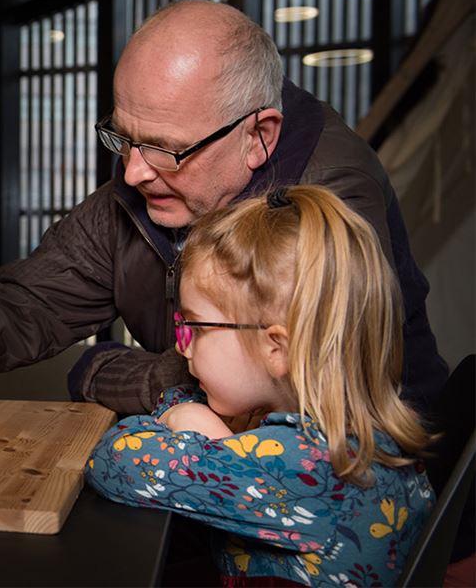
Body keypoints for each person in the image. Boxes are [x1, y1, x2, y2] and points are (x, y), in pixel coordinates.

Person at [0, 0, 447, 419]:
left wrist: (103, 371)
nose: (132, 171)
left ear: (258, 135)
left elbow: (283, 399)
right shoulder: (152, 181)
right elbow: (26, 308)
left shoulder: (330, 203)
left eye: (167, 150)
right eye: (124, 137)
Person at [85, 184, 434, 585]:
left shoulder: (297, 470)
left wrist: (215, 442)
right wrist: (197, 416)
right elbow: (179, 398)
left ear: (277, 349)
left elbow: (115, 460)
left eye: (195, 328)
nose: (183, 349)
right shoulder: (353, 439)